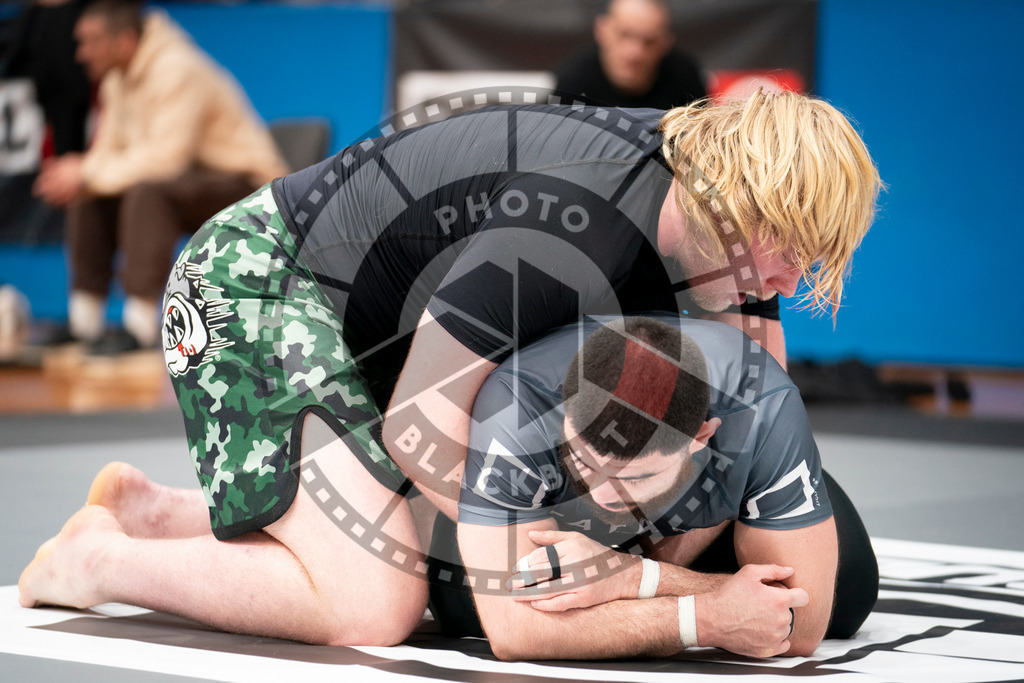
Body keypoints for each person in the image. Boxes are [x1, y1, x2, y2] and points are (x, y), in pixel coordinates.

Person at [20, 90, 880, 647]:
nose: (789, 282)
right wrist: (626, 576)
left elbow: (753, 421)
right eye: (791, 251)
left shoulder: (730, 245)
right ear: (742, 195)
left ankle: (167, 512)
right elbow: (415, 428)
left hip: (382, 331)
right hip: (255, 280)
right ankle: (97, 561)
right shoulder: (572, 228)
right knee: (379, 602)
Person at [442, 315, 877, 660]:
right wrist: (703, 617)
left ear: (700, 439)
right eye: (585, 463)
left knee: (850, 593)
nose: (603, 494)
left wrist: (630, 577)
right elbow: (515, 632)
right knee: (463, 606)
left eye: (634, 476)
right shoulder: (519, 405)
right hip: (557, 522)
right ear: (566, 420)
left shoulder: (762, 406)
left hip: (710, 521)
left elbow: (799, 619)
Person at [32, 0, 287, 354]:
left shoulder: (176, 68)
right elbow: (108, 155)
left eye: (90, 41)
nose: (81, 54)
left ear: (123, 41)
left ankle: (139, 327)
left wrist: (87, 170)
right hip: (190, 185)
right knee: (91, 192)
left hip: (248, 189)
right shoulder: (115, 80)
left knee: (148, 193)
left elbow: (166, 161)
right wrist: (83, 174)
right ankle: (84, 322)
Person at [555, 0, 706, 110]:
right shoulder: (572, 82)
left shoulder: (686, 78)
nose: (635, 52)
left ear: (666, 43)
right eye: (624, 35)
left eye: (649, 41)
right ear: (602, 30)